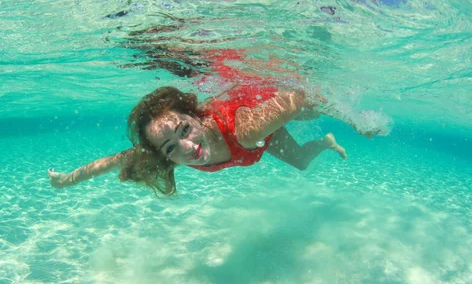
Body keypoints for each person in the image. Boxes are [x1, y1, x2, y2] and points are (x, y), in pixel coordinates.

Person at [48, 81, 351, 196]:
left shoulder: (244, 129)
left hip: (258, 116)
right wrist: (65, 180)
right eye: (171, 147)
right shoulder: (166, 152)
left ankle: (322, 129)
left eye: (185, 130)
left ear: (195, 116)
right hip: (258, 143)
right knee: (300, 162)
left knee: (306, 110)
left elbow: (299, 95)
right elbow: (108, 164)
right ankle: (326, 143)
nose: (189, 149)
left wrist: (357, 121)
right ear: (163, 154)